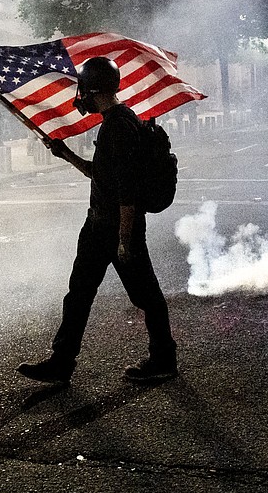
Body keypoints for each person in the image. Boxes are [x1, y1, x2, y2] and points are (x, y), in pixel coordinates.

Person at [17, 56, 178, 385]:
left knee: (146, 295)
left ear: (93, 90)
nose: (81, 97)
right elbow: (101, 176)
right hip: (98, 226)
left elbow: (127, 192)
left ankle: (164, 359)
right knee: (78, 293)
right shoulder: (117, 121)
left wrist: (123, 239)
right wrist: (65, 154)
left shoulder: (117, 126)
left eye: (83, 90)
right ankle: (61, 362)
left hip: (116, 228)